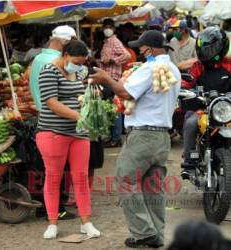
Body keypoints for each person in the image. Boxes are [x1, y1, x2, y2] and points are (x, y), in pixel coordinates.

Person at [90, 30, 181, 248]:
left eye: (141, 47)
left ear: (150, 49)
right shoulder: (173, 69)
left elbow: (126, 93)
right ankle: (156, 235)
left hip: (143, 135)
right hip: (162, 137)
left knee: (125, 179)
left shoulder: (150, 68)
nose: (139, 51)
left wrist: (106, 79)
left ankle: (143, 232)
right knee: (153, 186)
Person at [36, 40, 101, 239]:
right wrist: (79, 116)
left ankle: (86, 222)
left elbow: (83, 95)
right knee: (54, 177)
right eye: (75, 62)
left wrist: (93, 99)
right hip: (53, 132)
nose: (79, 66)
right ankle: (52, 223)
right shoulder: (48, 71)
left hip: (79, 133)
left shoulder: (80, 72)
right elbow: (52, 103)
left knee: (81, 177)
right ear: (65, 55)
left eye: (82, 63)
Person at [29, 25, 77, 220]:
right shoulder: (54, 61)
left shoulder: (39, 58)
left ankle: (46, 206)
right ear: (63, 42)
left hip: (43, 119)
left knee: (47, 167)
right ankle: (55, 209)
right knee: (57, 169)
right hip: (58, 120)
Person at [181, 27, 231, 178]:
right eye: (204, 49)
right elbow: (186, 83)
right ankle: (190, 162)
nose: (207, 53)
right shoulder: (198, 66)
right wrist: (183, 89)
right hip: (203, 110)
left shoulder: (229, 64)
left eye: (211, 49)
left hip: (227, 110)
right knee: (190, 124)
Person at [100, 18, 131, 147]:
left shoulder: (114, 41)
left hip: (113, 78)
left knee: (114, 108)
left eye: (109, 27)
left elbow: (126, 55)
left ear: (113, 28)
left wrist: (113, 61)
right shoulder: (107, 42)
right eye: (105, 27)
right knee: (110, 108)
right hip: (107, 77)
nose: (107, 29)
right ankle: (113, 136)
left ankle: (116, 138)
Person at [30, 25, 76, 112]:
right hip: (58, 115)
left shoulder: (37, 59)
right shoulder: (57, 61)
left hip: (42, 113)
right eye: (71, 43)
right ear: (64, 41)